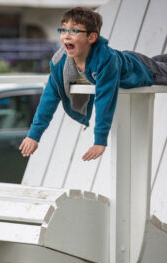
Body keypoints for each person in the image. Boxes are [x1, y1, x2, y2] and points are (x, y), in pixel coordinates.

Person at [19, 7, 167, 161]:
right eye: (63, 30)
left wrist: (100, 141)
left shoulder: (105, 60)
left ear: (91, 37)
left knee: (160, 68)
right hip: (128, 58)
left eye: (74, 31)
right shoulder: (60, 63)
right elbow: (49, 97)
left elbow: (105, 99)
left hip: (141, 68)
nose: (66, 36)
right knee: (159, 61)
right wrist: (34, 135)